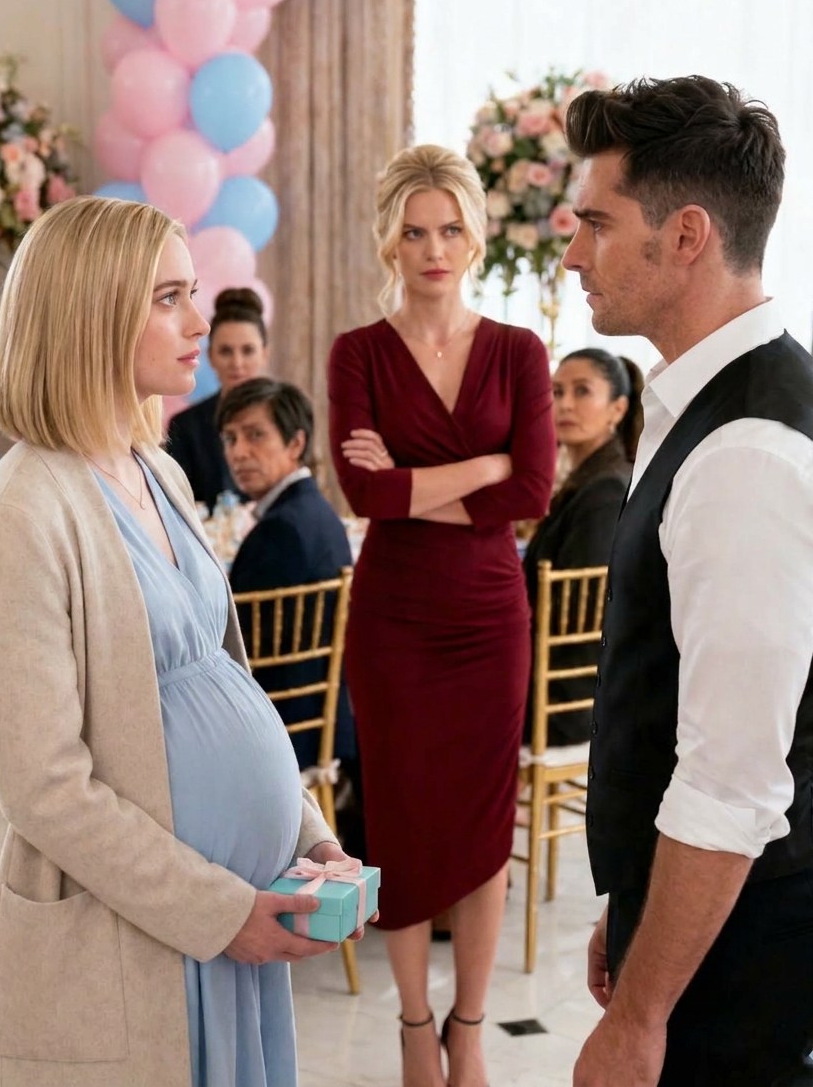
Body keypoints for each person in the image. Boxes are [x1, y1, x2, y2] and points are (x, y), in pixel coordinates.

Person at [0, 196, 368, 1087]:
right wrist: (216, 911)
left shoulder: (161, 471)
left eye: (194, 294)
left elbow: (225, 679)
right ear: (93, 314)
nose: (198, 323)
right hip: (144, 928)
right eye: (169, 298)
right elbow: (45, 788)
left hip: (232, 909)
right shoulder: (19, 514)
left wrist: (309, 836)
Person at [561, 77, 813, 1087]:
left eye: (595, 224)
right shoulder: (715, 405)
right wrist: (632, 905)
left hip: (750, 960)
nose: (571, 254)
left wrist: (639, 1015)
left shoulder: (743, 451)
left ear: (686, 235)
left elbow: (731, 778)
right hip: (713, 921)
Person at [328, 144, 556, 1087]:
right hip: (395, 622)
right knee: (402, 818)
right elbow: (364, 496)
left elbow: (534, 488)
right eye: (416, 232)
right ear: (390, 240)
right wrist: (485, 467)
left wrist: (422, 483)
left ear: (475, 237)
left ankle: (469, 1028)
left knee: (483, 821)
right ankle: (414, 1027)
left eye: (450, 229)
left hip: (488, 618)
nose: (434, 249)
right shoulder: (358, 353)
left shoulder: (519, 350)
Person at [221, 377, 357, 772]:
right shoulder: (319, 513)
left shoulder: (280, 531)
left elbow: (236, 651)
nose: (238, 452)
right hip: (321, 721)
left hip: (278, 734)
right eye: (230, 438)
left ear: (296, 444)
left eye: (255, 435)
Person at [522, 348, 643, 746]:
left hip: (564, 698)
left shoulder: (605, 490)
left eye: (582, 391)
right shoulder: (592, 478)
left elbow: (572, 615)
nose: (565, 405)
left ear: (617, 408)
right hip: (561, 684)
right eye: (556, 392)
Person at [167, 287, 269, 513]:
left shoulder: (287, 418)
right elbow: (176, 506)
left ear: (264, 354)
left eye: (248, 351)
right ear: (210, 356)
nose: (237, 363)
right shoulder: (185, 427)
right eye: (226, 351)